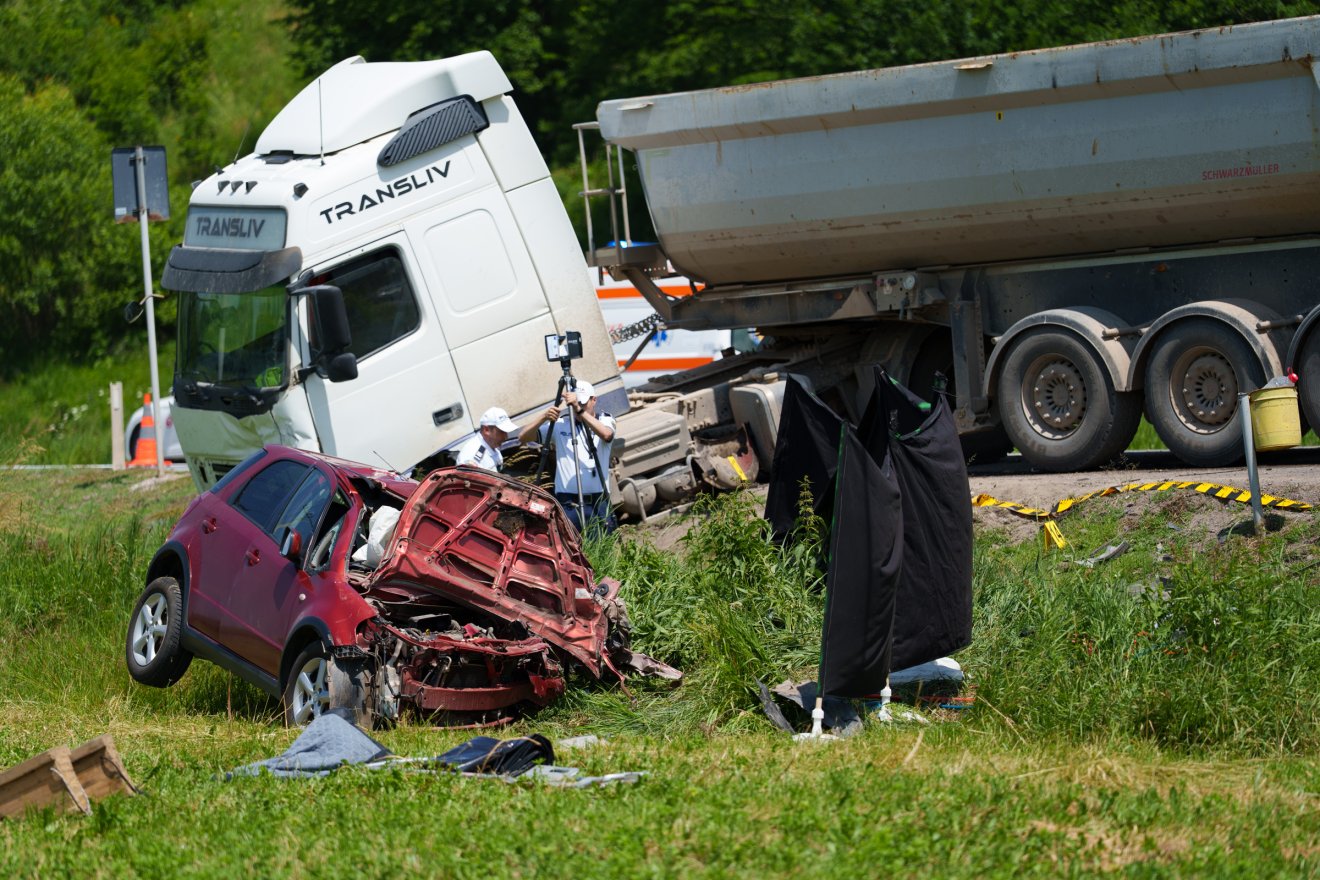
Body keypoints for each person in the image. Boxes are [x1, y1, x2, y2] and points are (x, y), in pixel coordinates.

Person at [518, 380, 617, 534]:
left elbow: (606, 434)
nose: (579, 409)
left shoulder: (605, 419)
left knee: (603, 549)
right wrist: (543, 417)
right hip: (568, 503)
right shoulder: (561, 424)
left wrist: (579, 410)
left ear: (594, 400)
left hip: (598, 500)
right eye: (575, 405)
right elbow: (523, 437)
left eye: (583, 404)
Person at [455, 407, 520, 472]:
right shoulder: (472, 457)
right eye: (501, 431)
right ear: (486, 430)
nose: (506, 437)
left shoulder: (491, 444)